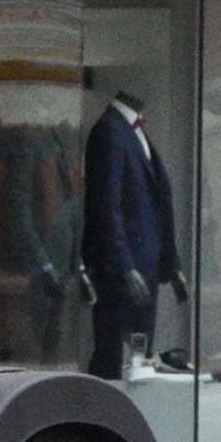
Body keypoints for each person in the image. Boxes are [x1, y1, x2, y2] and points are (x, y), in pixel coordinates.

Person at [80, 84, 182, 377]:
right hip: (123, 274)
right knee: (111, 360)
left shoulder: (136, 131)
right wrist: (124, 266)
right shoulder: (109, 132)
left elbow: (159, 202)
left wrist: (172, 264)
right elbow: (105, 206)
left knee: (140, 365)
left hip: (145, 269)